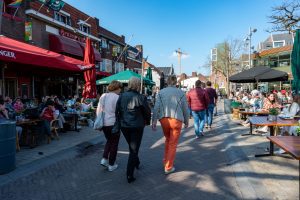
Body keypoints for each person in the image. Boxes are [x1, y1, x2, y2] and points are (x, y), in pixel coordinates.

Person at [115, 77, 151, 183]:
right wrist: (147, 122)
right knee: (133, 150)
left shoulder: (121, 96)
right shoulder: (141, 97)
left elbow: (117, 111)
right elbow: (147, 112)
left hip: (125, 126)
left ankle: (136, 162)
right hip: (136, 126)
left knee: (132, 147)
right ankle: (129, 175)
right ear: (137, 85)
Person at [152, 75, 189, 175]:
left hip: (164, 120)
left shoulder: (161, 92)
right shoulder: (181, 93)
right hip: (176, 120)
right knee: (173, 143)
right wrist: (187, 121)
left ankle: (166, 161)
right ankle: (168, 167)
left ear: (167, 82)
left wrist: (154, 121)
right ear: (175, 82)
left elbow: (156, 107)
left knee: (168, 140)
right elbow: (185, 108)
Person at [97, 80, 122, 172]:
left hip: (104, 123)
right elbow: (120, 112)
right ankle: (111, 164)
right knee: (114, 144)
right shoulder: (118, 97)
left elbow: (99, 110)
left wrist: (99, 122)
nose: (120, 90)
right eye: (120, 88)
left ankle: (104, 158)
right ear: (117, 88)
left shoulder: (103, 96)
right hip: (113, 123)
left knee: (109, 141)